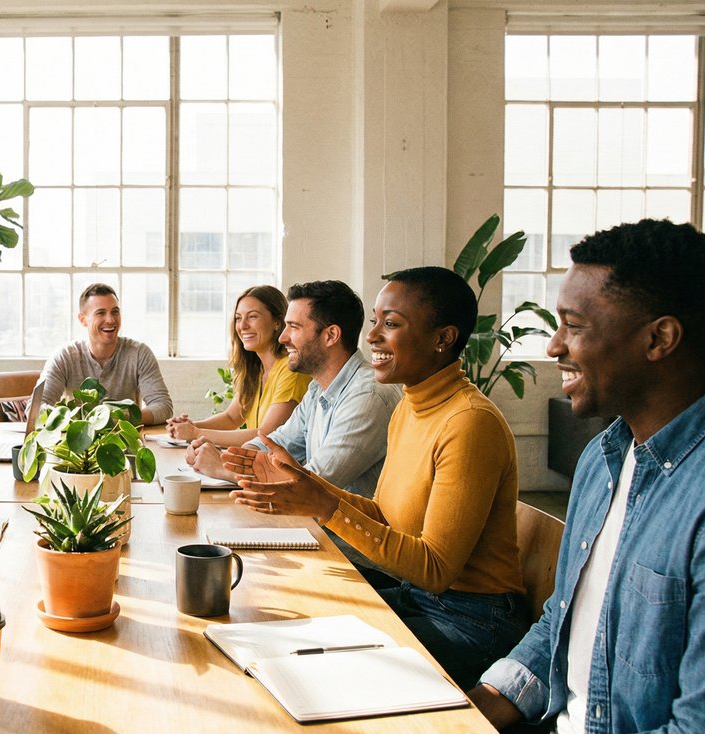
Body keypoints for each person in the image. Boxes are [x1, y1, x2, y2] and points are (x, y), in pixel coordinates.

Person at [469, 220, 705, 734]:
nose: (554, 345)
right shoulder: (604, 456)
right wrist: (474, 711)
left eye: (573, 326)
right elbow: (568, 612)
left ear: (658, 339)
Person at [225, 266, 527, 689]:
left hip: (471, 623)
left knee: (302, 666)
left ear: (443, 338)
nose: (371, 337)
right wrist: (312, 489)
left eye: (392, 324)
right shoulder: (410, 405)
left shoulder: (469, 422)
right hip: (417, 599)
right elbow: (385, 513)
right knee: (272, 632)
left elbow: (435, 568)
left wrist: (323, 504)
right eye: (375, 322)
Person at [186, 281, 399, 499]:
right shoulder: (318, 388)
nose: (282, 337)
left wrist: (224, 468)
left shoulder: (368, 396)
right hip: (310, 524)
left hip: (335, 533)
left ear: (331, 335)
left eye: (294, 327)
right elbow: (277, 441)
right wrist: (233, 458)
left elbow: (314, 481)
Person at [166, 285, 309, 447]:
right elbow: (232, 418)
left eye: (252, 317)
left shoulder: (291, 370)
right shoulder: (255, 370)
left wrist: (195, 433)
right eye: (238, 318)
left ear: (277, 322)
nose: (242, 326)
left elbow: (266, 436)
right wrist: (189, 426)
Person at [38, 282, 173, 424]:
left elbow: (163, 407)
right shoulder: (64, 356)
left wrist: (120, 417)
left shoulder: (139, 353)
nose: (110, 320)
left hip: (124, 442)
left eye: (115, 311)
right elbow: (37, 409)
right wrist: (79, 423)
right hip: (74, 444)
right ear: (83, 320)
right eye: (101, 313)